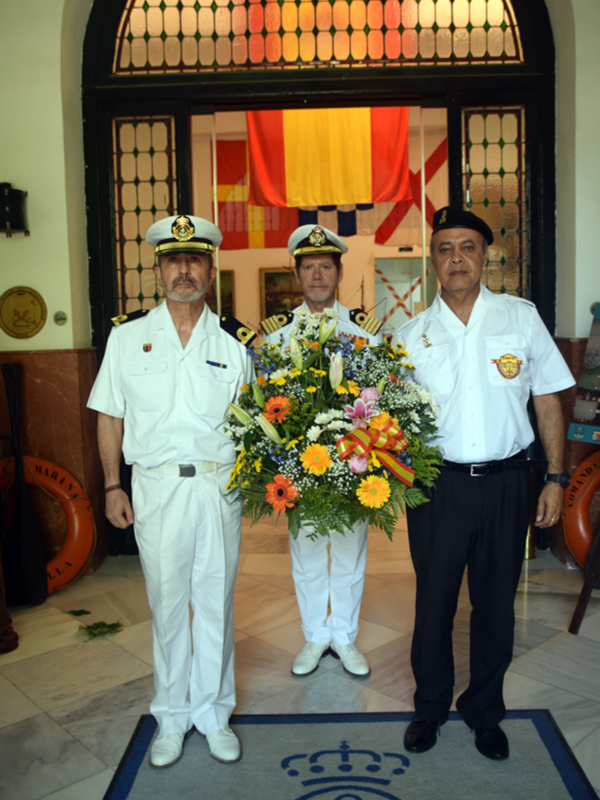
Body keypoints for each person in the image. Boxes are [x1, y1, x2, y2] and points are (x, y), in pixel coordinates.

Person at [397, 207, 575, 760]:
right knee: (434, 606)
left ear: (485, 255)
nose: (456, 258)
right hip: (437, 488)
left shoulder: (520, 320)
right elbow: (390, 422)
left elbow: (547, 399)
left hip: (507, 484)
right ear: (433, 258)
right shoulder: (410, 335)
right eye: (445, 248)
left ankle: (484, 711)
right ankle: (429, 708)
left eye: (467, 247)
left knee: (495, 603)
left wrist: (554, 476)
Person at [87, 214, 255, 768]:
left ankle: (213, 714)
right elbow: (109, 414)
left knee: (214, 604)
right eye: (173, 260)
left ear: (211, 267)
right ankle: (171, 717)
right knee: (166, 605)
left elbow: (255, 423)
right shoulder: (127, 336)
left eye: (195, 259)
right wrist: (112, 483)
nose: (184, 270)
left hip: (217, 486)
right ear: (158, 268)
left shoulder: (234, 343)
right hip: (155, 488)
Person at [261, 224, 383, 678]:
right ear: (296, 275)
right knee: (307, 554)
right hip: (300, 466)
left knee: (350, 554)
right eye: (308, 267)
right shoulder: (276, 335)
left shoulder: (364, 331)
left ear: (338, 273)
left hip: (351, 461)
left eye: (325, 267)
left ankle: (345, 638)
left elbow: (379, 394)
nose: (316, 275)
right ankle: (315, 636)